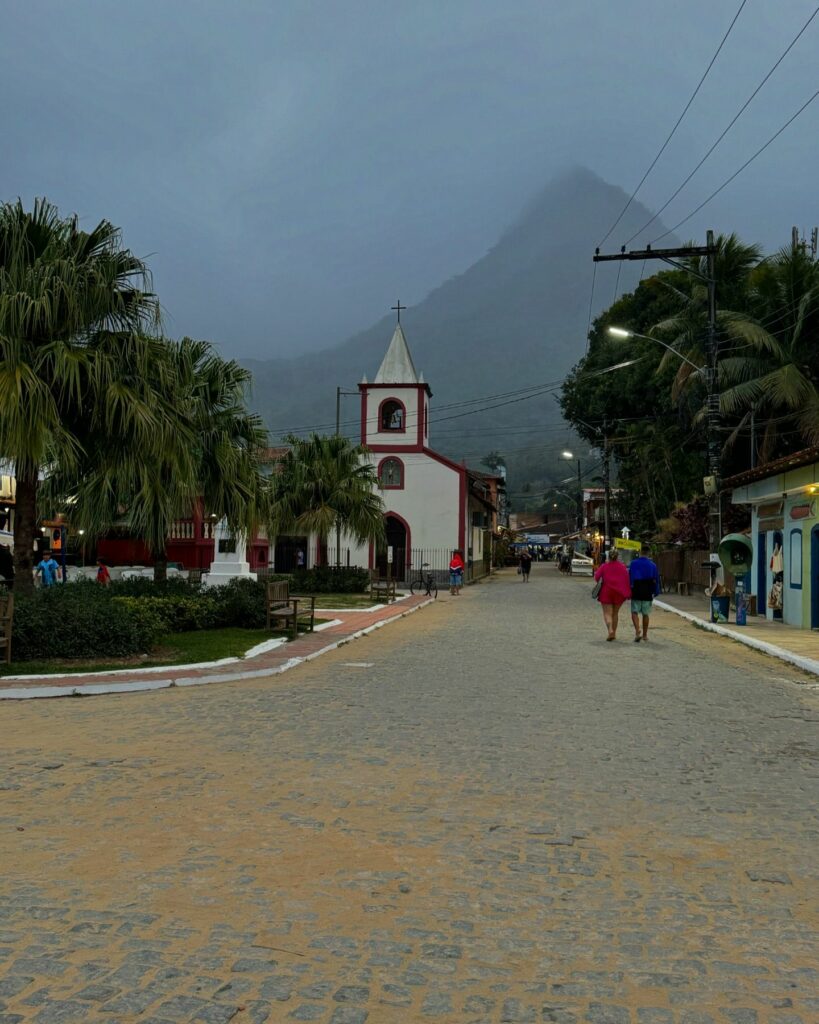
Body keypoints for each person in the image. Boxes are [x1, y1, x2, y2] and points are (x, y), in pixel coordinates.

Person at [593, 548, 631, 641]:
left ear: (608, 556)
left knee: (607, 613)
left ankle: (610, 630)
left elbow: (597, 578)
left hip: (606, 592)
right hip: (619, 593)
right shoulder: (622, 567)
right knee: (615, 614)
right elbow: (627, 579)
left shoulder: (604, 566)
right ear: (618, 556)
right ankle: (614, 633)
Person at [629, 544, 660, 642]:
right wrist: (656, 591)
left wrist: (629, 589)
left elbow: (630, 577)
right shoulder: (653, 565)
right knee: (646, 614)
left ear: (640, 552)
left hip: (636, 589)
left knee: (634, 612)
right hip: (647, 590)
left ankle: (638, 630)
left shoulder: (633, 563)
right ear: (649, 553)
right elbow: (656, 579)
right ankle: (645, 635)